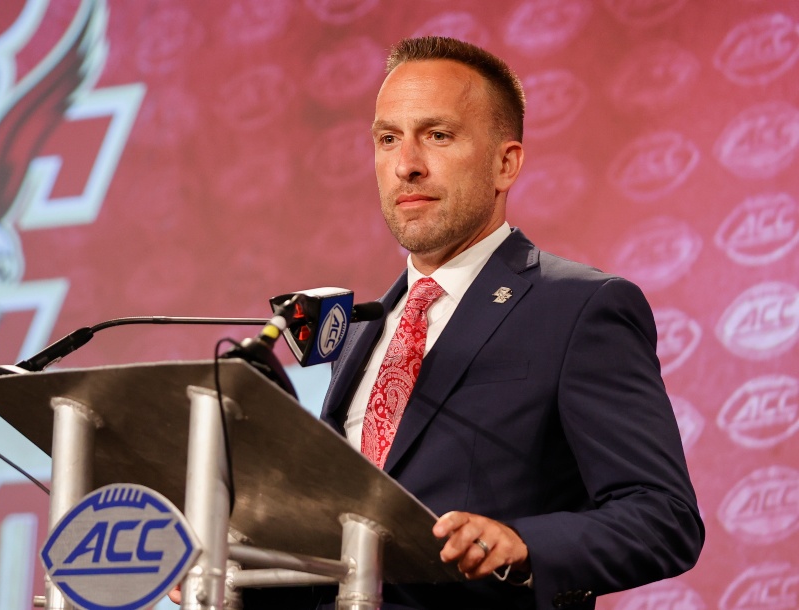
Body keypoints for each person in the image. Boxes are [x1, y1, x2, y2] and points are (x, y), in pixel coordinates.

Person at [301, 36, 702, 609]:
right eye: (388, 139)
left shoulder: (580, 309)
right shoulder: (363, 329)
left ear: (505, 163)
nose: (406, 164)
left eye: (437, 136)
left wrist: (523, 544)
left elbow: (663, 516)